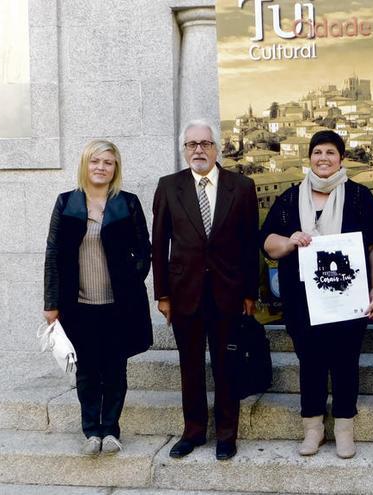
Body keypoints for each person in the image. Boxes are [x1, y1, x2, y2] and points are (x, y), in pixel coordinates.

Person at [260, 130, 373, 459]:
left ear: (341, 158)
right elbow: (268, 243)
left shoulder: (359, 197)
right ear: (309, 158)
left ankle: (345, 429)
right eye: (317, 152)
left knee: (346, 361)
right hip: (303, 302)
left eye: (331, 152)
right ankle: (313, 428)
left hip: (348, 299)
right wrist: (291, 240)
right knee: (311, 363)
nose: (323, 158)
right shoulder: (290, 199)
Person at [151, 119, 259, 461]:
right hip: (185, 294)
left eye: (205, 143)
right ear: (184, 150)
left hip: (228, 293)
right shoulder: (169, 187)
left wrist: (249, 293)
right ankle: (194, 431)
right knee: (191, 365)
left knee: (227, 365)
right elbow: (159, 245)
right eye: (192, 144)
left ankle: (227, 435)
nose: (199, 149)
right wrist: (162, 294)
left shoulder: (241, 186)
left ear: (217, 147)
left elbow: (249, 245)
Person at [43, 139, 153, 456]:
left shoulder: (127, 203)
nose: (101, 167)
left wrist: (131, 280)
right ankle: (92, 431)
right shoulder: (66, 203)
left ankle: (111, 430)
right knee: (88, 370)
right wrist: (51, 303)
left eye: (107, 162)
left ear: (115, 168)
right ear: (85, 165)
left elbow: (144, 250)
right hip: (78, 306)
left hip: (118, 305)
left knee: (115, 369)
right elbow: (52, 255)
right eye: (95, 161)